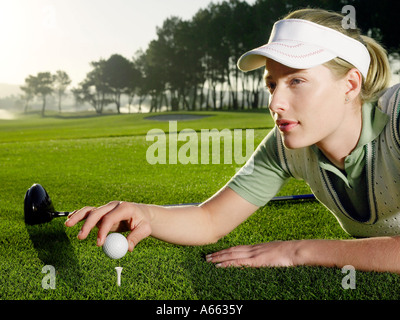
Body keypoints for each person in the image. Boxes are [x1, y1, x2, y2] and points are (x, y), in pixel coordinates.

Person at [65, 8, 400, 274]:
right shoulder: (284, 145)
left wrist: (298, 250)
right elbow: (209, 220)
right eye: (272, 85)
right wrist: (145, 214)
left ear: (351, 84)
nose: (275, 103)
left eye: (297, 80)